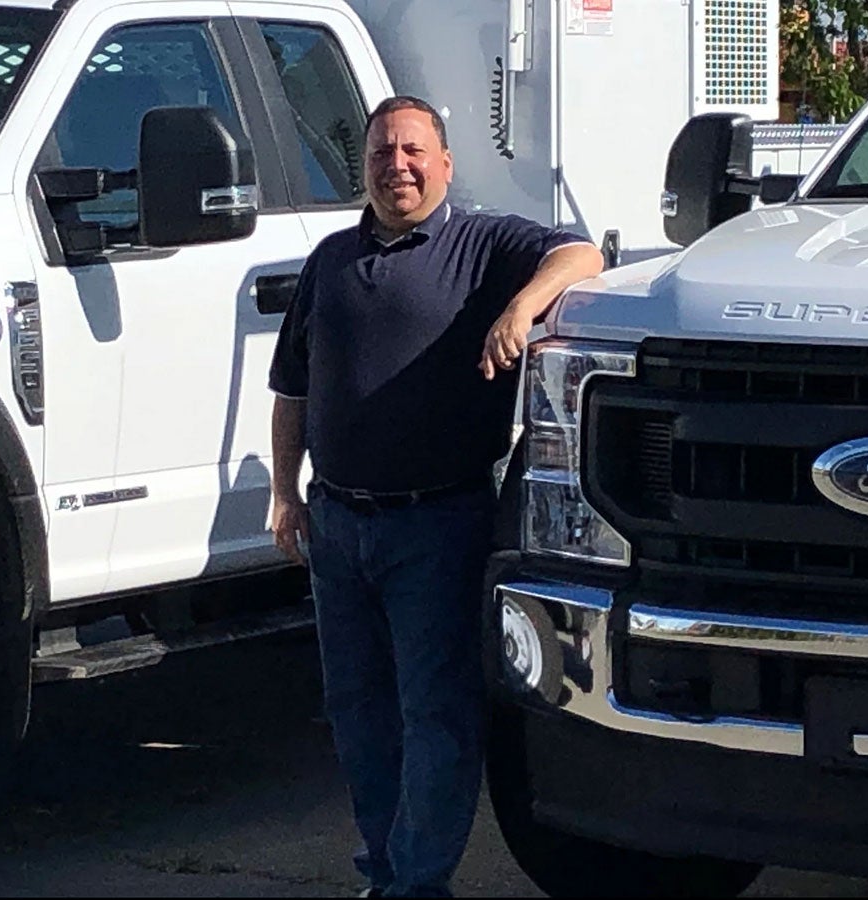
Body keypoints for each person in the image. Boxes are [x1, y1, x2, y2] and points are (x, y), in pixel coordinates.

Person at [268, 95, 603, 898]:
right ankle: (385, 871)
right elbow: (291, 390)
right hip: (338, 527)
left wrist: (521, 307)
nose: (399, 165)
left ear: (446, 164)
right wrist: (286, 493)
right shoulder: (331, 261)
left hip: (437, 525)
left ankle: (418, 883)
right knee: (358, 716)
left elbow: (583, 255)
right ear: (367, 167)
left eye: (414, 151)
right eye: (383, 152)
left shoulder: (483, 242)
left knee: (436, 718)